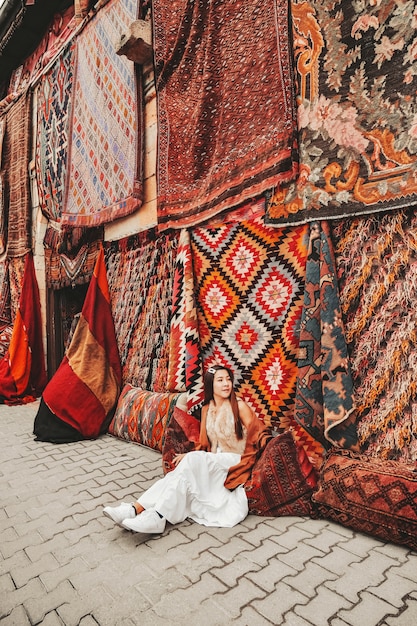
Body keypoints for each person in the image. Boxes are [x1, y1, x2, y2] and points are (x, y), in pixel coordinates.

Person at [103, 365, 264, 534]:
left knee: (190, 463)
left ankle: (156, 515)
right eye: (220, 380)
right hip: (215, 464)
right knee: (177, 475)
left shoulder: (240, 407)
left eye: (228, 379)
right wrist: (190, 455)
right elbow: (204, 445)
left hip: (235, 461)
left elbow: (259, 435)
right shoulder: (207, 410)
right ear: (210, 385)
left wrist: (247, 462)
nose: (226, 384)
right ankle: (135, 509)